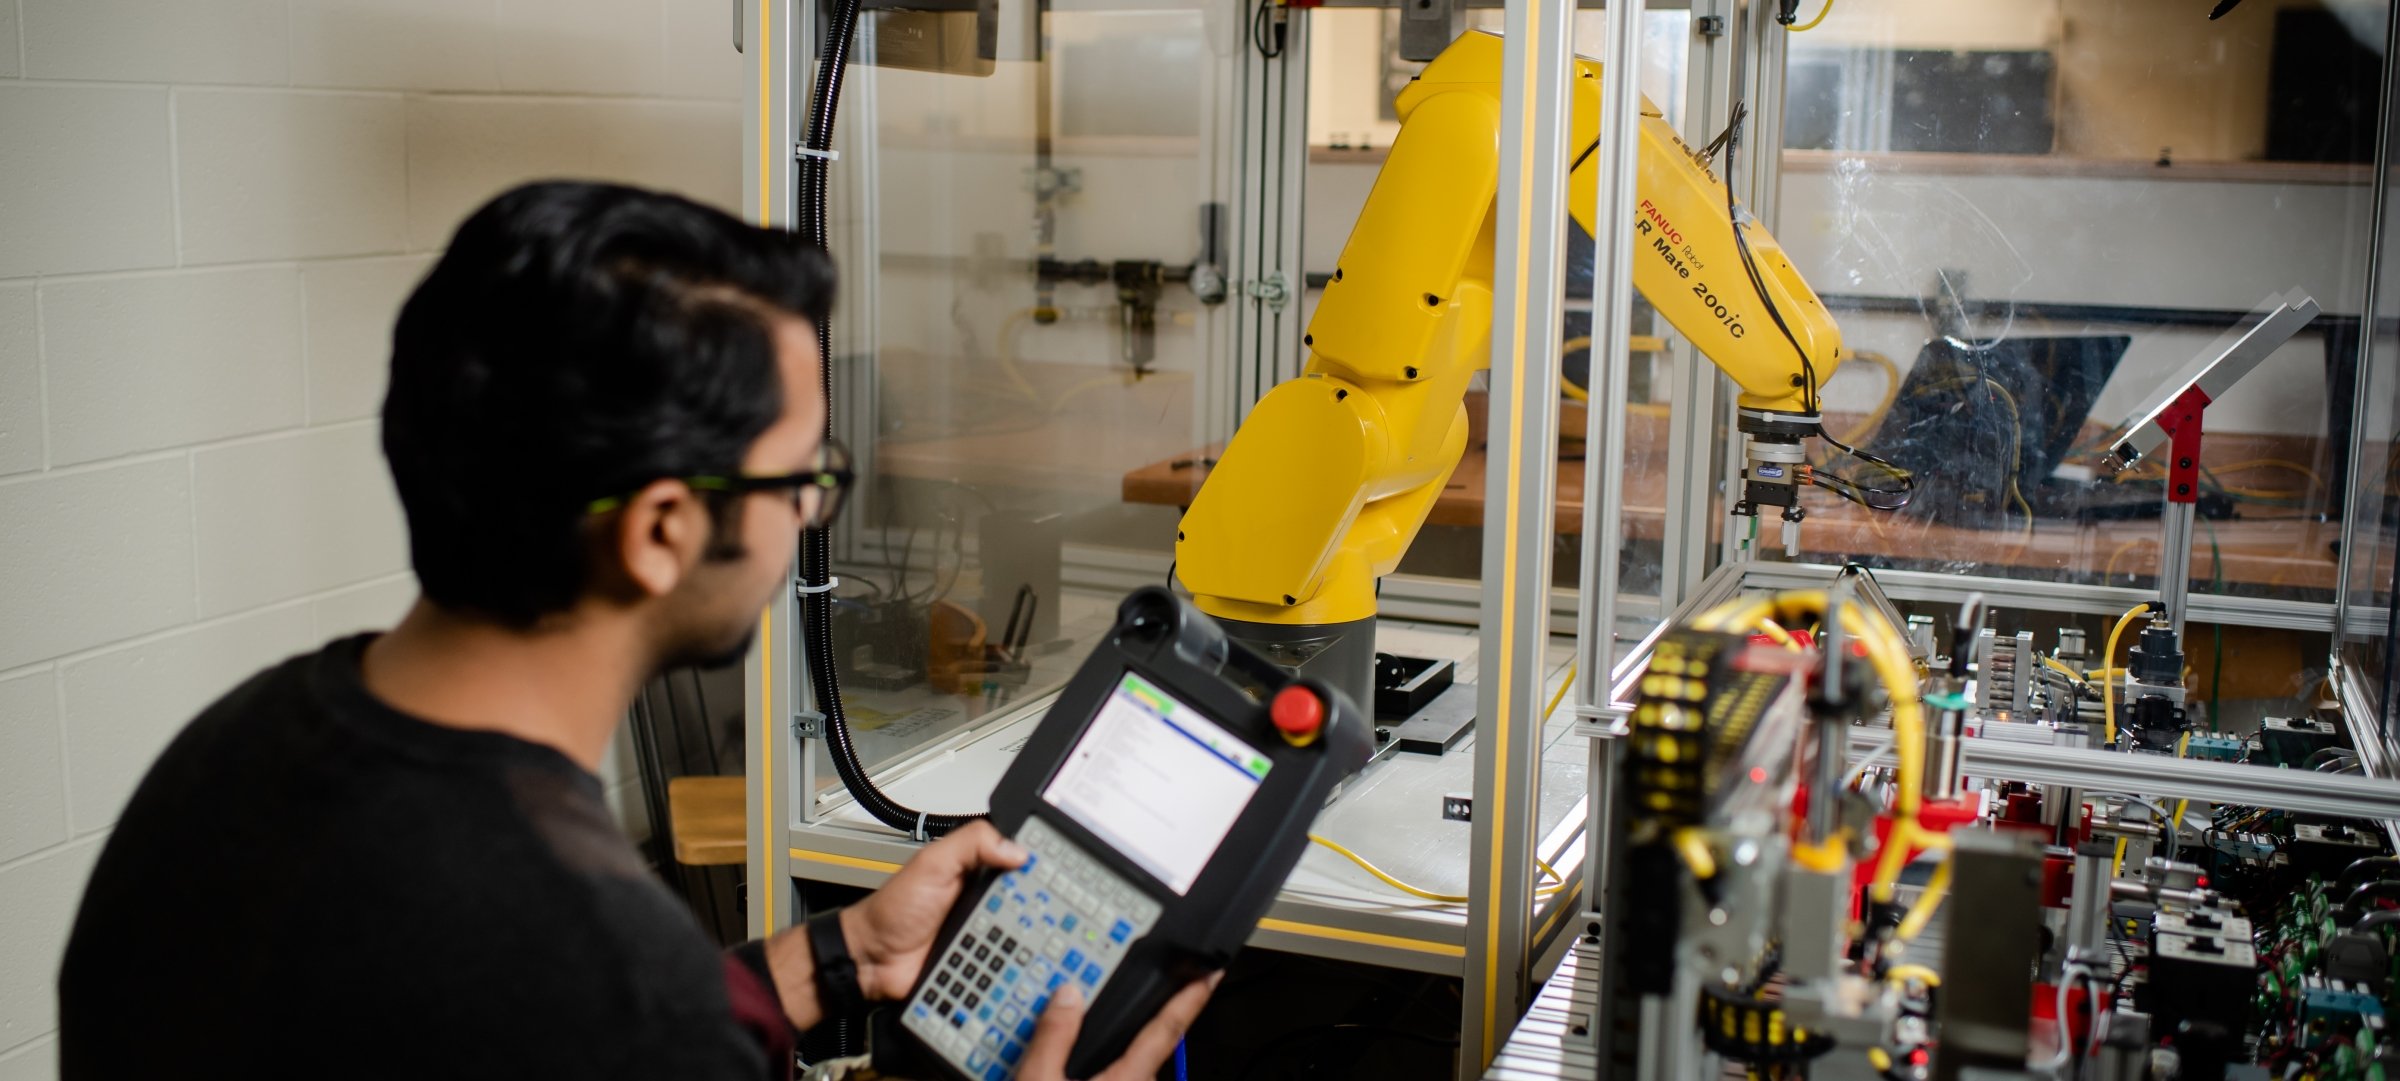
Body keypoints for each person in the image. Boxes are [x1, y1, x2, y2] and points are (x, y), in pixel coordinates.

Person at [56, 181, 1216, 1079]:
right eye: (804, 476)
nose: (814, 512)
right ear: (660, 529)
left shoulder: (234, 748)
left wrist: (843, 956)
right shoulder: (596, 966)